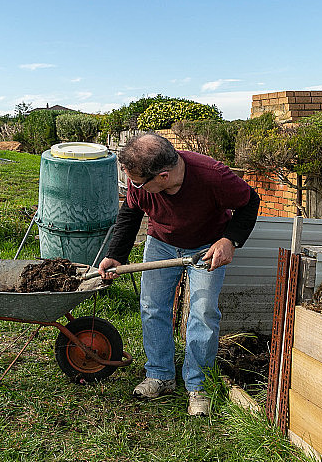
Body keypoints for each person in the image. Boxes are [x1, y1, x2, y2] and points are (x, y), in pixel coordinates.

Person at [99, 132, 260, 416]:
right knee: (152, 307)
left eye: (138, 182)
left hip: (205, 247)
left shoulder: (213, 176)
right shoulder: (140, 179)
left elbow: (251, 202)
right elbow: (130, 213)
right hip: (161, 243)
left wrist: (229, 240)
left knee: (203, 312)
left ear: (162, 176)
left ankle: (198, 385)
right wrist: (116, 255)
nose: (133, 186)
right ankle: (160, 374)